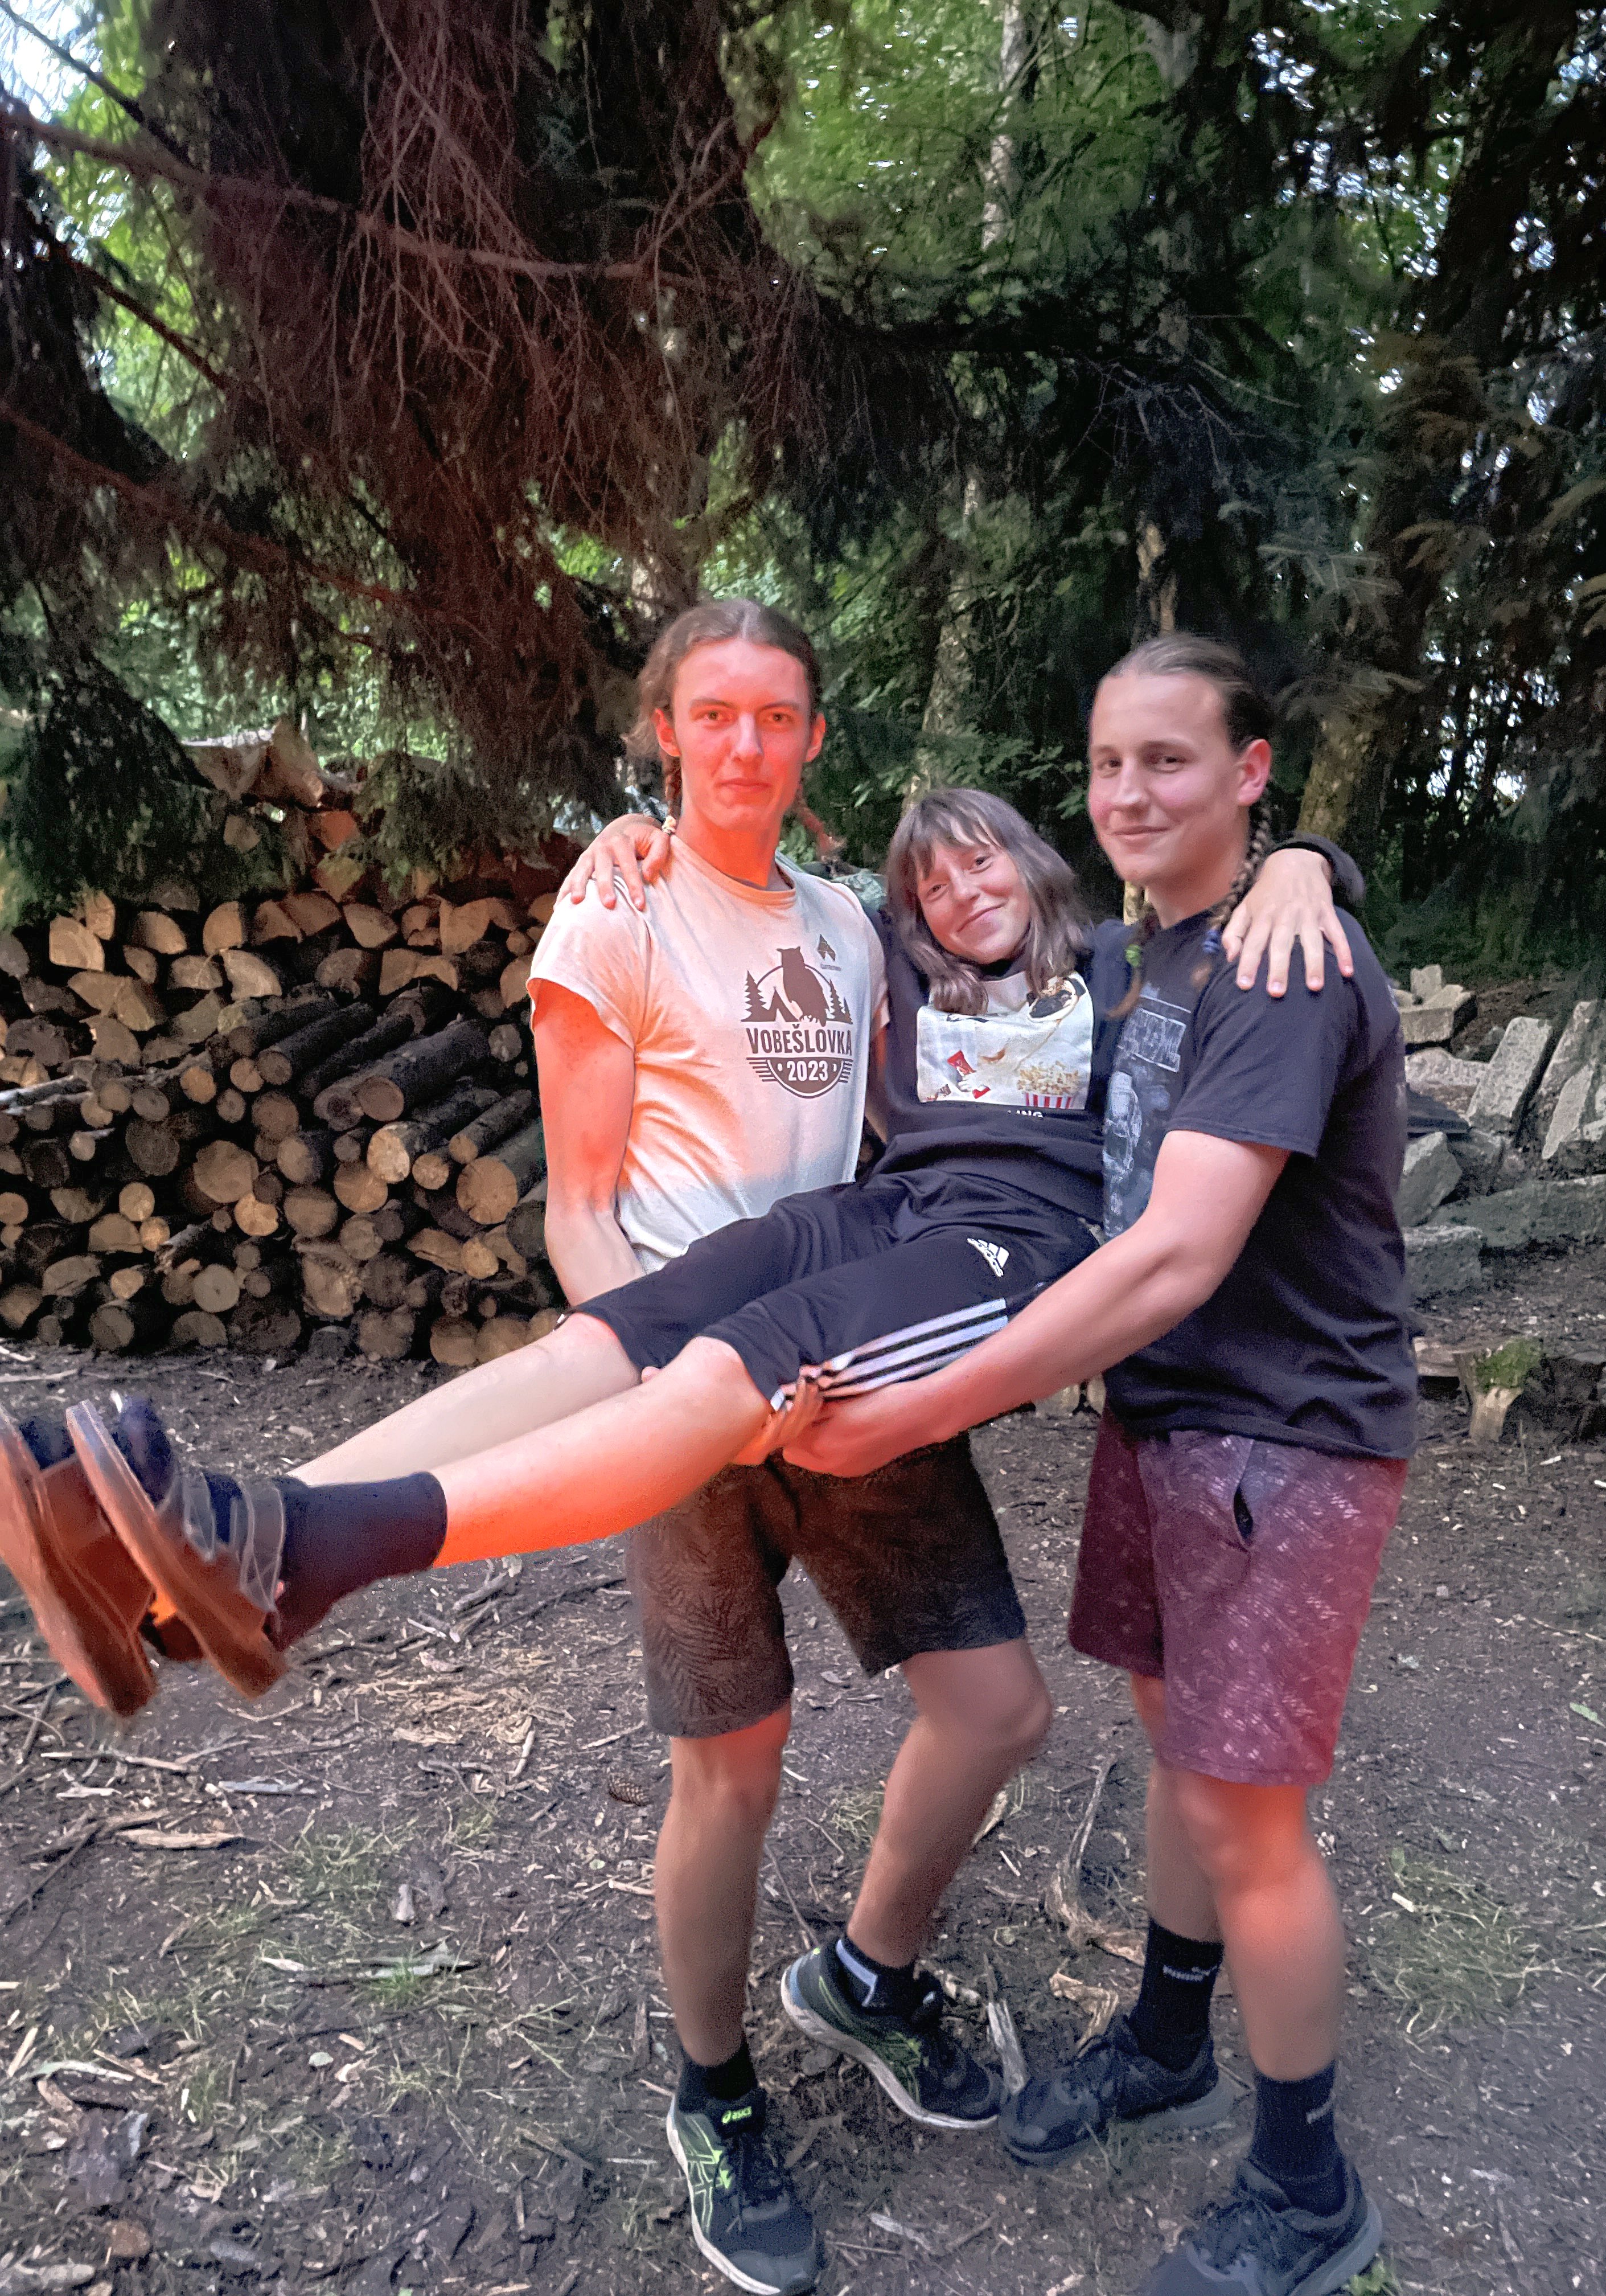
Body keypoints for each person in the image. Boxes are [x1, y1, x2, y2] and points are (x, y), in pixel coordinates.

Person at [0, 602, 1355, 2296]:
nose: (745, 745)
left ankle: (859, 1973)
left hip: (879, 1317)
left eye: (776, 717)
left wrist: (1311, 862)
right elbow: (579, 1201)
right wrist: (671, 1398)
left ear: (817, 742)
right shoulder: (631, 899)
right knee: (709, 1679)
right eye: (713, 715)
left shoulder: (919, 939)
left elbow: (1208, 921)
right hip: (719, 1341)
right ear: (665, 731)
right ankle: (250, 1542)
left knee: (996, 1706)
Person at [779, 633, 1415, 2296]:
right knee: (1177, 1755)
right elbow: (929, 929)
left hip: (1283, 1435)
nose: (1129, 792)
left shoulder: (1284, 967)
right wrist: (657, 844)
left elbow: (1175, 1255)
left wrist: (919, 1410)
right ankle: (1168, 2038)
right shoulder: (1144, 956)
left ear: (1250, 771)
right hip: (1165, 1423)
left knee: (1244, 1816)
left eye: (1170, 760)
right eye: (1109, 763)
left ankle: (1306, 2189)